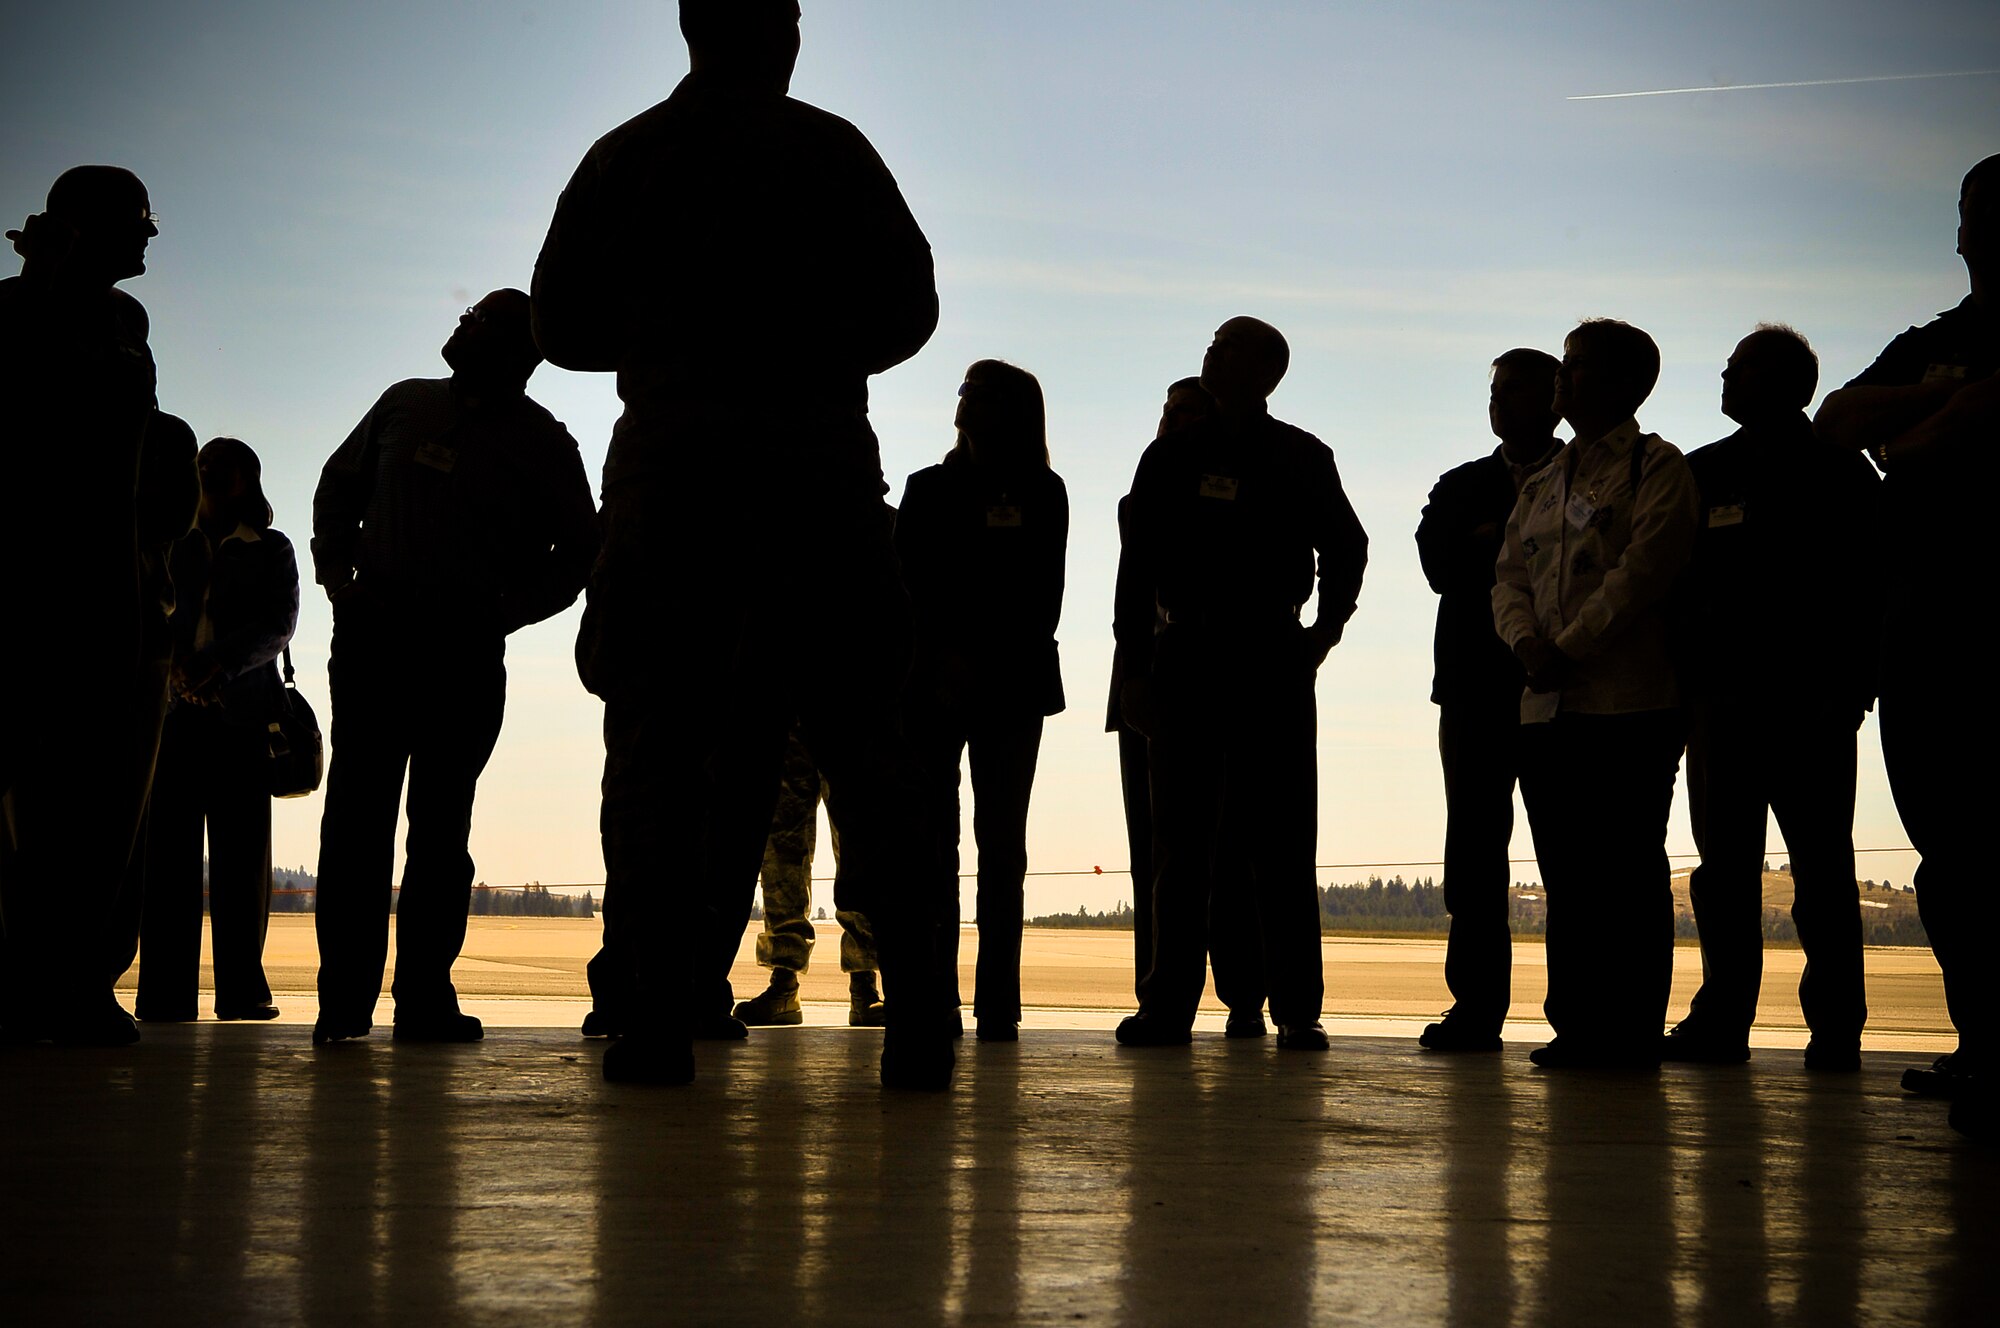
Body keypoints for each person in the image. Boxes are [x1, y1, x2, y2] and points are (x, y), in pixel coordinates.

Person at [532, 0, 950, 1088]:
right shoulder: (829, 150)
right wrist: (805, 351)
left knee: (663, 747)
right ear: (782, 34)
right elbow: (910, 308)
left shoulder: (629, 156)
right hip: (813, 459)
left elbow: (561, 323)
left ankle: (657, 1014)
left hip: (677, 464)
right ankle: (917, 1019)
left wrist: (679, 341)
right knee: (866, 744)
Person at [309, 290, 598, 1045]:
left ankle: (423, 996)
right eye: (464, 315)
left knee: (440, 830)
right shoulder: (404, 404)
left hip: (463, 656)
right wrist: (339, 578)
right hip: (375, 641)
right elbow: (338, 488)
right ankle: (343, 1000)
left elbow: (578, 556)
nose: (459, 327)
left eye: (476, 323)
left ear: (515, 351)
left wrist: (503, 611)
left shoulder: (543, 443)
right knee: (355, 824)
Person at [1112, 317, 1368, 1051]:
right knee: (1179, 843)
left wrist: (1322, 633)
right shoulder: (1169, 457)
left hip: (1267, 654)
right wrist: (1135, 668)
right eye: (1212, 346)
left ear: (1265, 371)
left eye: (1226, 348)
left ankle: (1295, 1007)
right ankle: (1168, 1005)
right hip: (1186, 653)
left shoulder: (1299, 455)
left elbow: (1345, 546)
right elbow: (1136, 575)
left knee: (1280, 839)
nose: (1210, 354)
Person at [1815, 152, 2000, 1104]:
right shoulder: (1936, 341)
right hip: (1920, 623)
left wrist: (1918, 437)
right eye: (1974, 209)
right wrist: (1943, 408)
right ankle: (1984, 1045)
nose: (1982, 226)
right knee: (1947, 847)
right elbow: (1841, 418)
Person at [0, 166, 195, 1045]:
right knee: (21, 793)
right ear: (81, 224)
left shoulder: (128, 323)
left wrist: (151, 571)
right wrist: (45, 279)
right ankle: (20, 977)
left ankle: (77, 976)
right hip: (25, 587)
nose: (152, 234)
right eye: (139, 219)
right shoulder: (11, 312)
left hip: (117, 594)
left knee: (105, 802)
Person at [1668, 326, 1880, 1070]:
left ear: (1790, 383)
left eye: (1742, 366)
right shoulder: (1700, 473)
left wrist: (1852, 689)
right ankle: (1723, 1020)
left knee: (1822, 872)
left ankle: (1835, 1029)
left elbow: (1872, 589)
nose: (1724, 374)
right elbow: (1675, 588)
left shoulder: (1841, 474)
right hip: (1721, 706)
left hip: (1811, 706)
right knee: (1723, 875)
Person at [1492, 318, 1699, 1070]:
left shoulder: (1658, 468)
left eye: (1574, 369)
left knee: (1628, 872)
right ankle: (1577, 1022)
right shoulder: (1546, 480)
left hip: (1628, 705)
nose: (1560, 382)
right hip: (1546, 708)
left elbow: (1644, 574)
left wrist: (1567, 647)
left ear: (1622, 383)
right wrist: (1523, 644)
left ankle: (1632, 1026)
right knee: (1567, 876)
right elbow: (1508, 576)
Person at [897, 360, 1068, 1042]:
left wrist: (968, 654)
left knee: (1002, 850)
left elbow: (1039, 596)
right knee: (933, 845)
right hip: (933, 683)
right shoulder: (926, 488)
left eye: (983, 393)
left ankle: (998, 1001)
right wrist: (940, 658)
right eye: (964, 389)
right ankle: (935, 991)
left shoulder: (1043, 492)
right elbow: (904, 587)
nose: (966, 400)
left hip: (1009, 682)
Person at [1414, 348, 1563, 1052]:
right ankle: (1476, 1008)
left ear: (1551, 400)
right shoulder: (1462, 483)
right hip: (1474, 689)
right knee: (1474, 855)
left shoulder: (1581, 477)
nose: (1497, 405)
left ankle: (1578, 1010)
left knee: (1568, 855)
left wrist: (1490, 540)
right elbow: (1440, 567)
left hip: (1561, 688)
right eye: (1493, 393)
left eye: (1511, 393)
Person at [1110, 377, 1269, 1036]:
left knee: (1231, 842)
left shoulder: (1241, 480)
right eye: (1168, 410)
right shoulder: (1142, 496)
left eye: (1187, 412)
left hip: (1212, 672)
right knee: (1156, 848)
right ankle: (1163, 991)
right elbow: (1130, 595)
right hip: (1151, 677)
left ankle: (1239, 990)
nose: (1173, 422)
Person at [136, 437, 301, 1022]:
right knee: (167, 865)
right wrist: (180, 669)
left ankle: (241, 992)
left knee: (241, 864)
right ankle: (163, 997)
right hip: (176, 718)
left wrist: (217, 665)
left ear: (247, 481)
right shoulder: (172, 543)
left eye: (222, 468)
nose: (209, 474)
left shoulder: (272, 549)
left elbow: (279, 624)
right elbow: (151, 607)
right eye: (204, 465)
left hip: (240, 720)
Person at [732, 726, 885, 1027]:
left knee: (855, 843)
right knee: (783, 852)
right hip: (793, 714)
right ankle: (788, 983)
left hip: (844, 712)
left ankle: (862, 982)